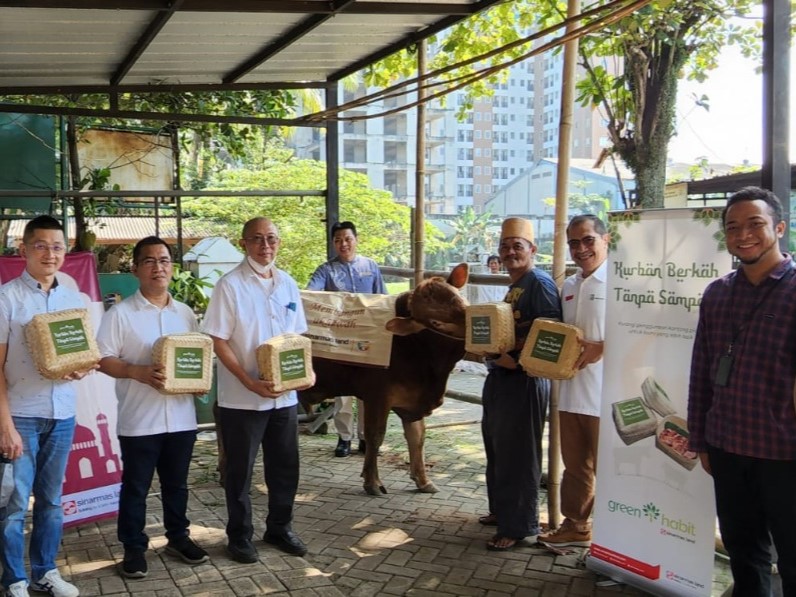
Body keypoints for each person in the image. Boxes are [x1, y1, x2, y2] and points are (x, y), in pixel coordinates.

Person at [688, 186, 796, 596]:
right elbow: (701, 370)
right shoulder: (717, 294)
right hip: (727, 447)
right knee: (744, 554)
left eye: (755, 224)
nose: (743, 235)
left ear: (779, 228)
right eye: (733, 227)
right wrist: (701, 440)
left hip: (785, 454)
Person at [96, 236, 209, 580]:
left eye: (164, 260)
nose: (158, 267)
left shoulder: (185, 313)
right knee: (136, 488)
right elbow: (103, 359)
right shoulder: (120, 314)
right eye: (149, 261)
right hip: (139, 420)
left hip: (181, 418)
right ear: (135, 269)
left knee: (177, 485)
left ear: (172, 268)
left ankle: (178, 538)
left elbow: (197, 357)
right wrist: (136, 372)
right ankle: (133, 547)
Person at [203, 217, 314, 564]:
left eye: (271, 238)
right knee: (239, 471)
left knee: (285, 467)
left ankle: (280, 528)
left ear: (279, 242)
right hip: (242, 398)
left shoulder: (288, 283)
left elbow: (297, 337)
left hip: (284, 397)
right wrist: (247, 380)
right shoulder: (230, 285)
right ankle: (239, 536)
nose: (265, 246)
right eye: (257, 239)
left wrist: (306, 371)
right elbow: (217, 339)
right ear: (244, 243)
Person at [0, 215, 96, 597]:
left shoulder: (73, 299)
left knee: (52, 501)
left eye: (57, 246)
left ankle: (45, 572)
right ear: (23, 249)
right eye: (41, 246)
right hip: (21, 415)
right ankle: (14, 579)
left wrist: (81, 368)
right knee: (13, 504)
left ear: (65, 251)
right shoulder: (6, 298)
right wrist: (5, 426)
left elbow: (82, 354)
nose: (50, 254)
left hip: (62, 415)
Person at [479, 217, 562, 551]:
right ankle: (502, 511)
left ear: (532, 249)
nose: (510, 252)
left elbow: (550, 330)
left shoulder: (539, 282)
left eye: (518, 246)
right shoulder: (516, 284)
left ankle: (518, 525)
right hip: (501, 376)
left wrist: (516, 360)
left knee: (518, 453)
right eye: (505, 247)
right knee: (498, 447)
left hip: (523, 379)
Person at [538, 215, 609, 548]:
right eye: (574, 243)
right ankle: (577, 526)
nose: (581, 249)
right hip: (570, 390)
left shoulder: (622, 282)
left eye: (588, 240)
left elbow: (641, 334)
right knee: (576, 465)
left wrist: (604, 347)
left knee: (611, 469)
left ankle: (615, 540)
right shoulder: (569, 285)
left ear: (606, 239)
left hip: (607, 394)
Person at [306, 221, 386, 457]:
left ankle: (366, 436)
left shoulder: (371, 267)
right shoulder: (326, 270)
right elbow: (311, 293)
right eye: (338, 240)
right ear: (333, 243)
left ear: (356, 239)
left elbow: (383, 298)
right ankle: (344, 437)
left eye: (348, 239)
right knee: (343, 390)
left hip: (368, 337)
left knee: (369, 388)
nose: (343, 244)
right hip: (339, 339)